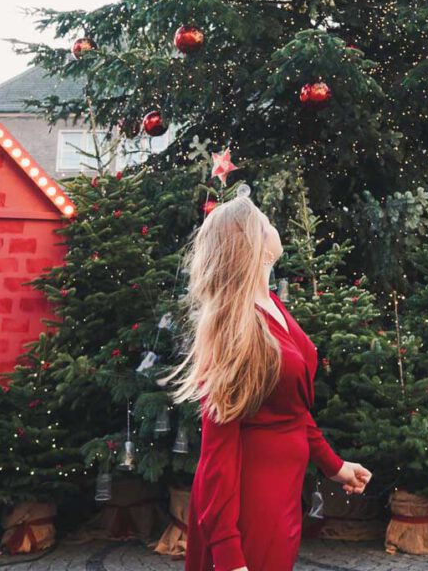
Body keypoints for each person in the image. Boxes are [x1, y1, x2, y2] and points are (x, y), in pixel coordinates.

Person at [158, 190, 372, 571]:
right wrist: (227, 552)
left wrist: (334, 466)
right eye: (265, 221)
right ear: (251, 242)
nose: (273, 226)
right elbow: (216, 454)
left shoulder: (271, 304)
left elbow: (292, 409)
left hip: (282, 492)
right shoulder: (234, 327)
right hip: (250, 502)